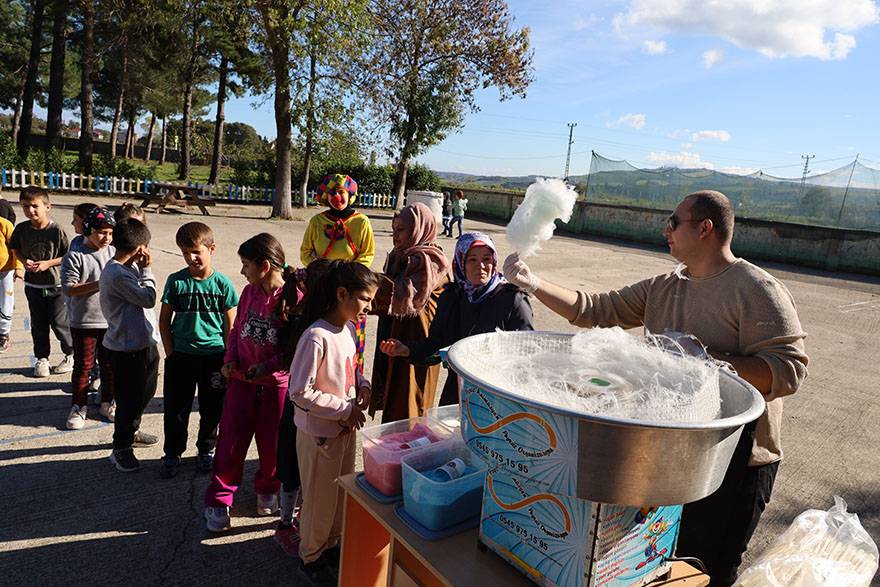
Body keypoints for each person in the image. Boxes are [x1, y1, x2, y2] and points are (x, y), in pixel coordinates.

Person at [502, 190, 809, 586]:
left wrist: (704, 359)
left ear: (704, 228)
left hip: (736, 458)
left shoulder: (756, 289)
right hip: (675, 450)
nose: (666, 229)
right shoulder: (664, 287)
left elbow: (787, 371)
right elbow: (594, 309)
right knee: (658, 560)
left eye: (673, 221)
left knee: (706, 568)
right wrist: (534, 283)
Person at [288, 260, 378, 585]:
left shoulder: (349, 329)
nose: (370, 306)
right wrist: (343, 408)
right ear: (342, 294)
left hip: (343, 430)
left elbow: (351, 369)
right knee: (317, 499)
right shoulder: (315, 336)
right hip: (320, 435)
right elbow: (299, 392)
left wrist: (363, 385)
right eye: (365, 299)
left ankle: (329, 546)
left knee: (339, 494)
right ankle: (310, 556)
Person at [381, 232, 534, 406]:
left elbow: (526, 354)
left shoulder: (512, 299)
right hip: (457, 395)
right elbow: (435, 346)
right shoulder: (452, 297)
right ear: (460, 262)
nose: (481, 266)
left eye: (487, 259)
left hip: (498, 397)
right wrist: (406, 350)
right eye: (472, 260)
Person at [204, 233, 293, 532]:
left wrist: (266, 368)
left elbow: (292, 351)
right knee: (230, 442)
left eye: (246, 265)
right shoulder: (248, 293)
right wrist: (229, 358)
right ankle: (219, 500)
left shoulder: (293, 300)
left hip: (275, 388)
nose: (243, 271)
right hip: (241, 384)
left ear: (264, 265)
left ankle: (268, 488)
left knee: (273, 444)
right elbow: (236, 330)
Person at [159, 222, 238, 479]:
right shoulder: (176, 282)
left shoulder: (222, 284)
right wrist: (171, 354)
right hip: (181, 358)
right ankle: (172, 453)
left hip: (214, 357)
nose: (190, 257)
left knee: (212, 409)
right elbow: (164, 320)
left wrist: (229, 357)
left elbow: (231, 324)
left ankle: (206, 449)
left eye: (196, 251)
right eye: (185, 253)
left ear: (211, 249)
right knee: (176, 409)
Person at [369, 203, 450, 422]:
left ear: (418, 228)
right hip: (396, 335)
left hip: (417, 344)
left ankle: (407, 455)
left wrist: (364, 283)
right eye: (394, 229)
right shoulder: (400, 256)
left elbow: (397, 292)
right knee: (393, 398)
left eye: (401, 229)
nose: (395, 235)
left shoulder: (429, 260)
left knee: (411, 405)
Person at [274, 259, 332, 556]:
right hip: (305, 411)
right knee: (299, 467)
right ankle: (288, 524)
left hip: (302, 411)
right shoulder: (313, 329)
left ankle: (292, 520)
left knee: (296, 469)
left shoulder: (305, 318)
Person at [99, 219, 160, 472]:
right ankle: (121, 448)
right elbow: (148, 298)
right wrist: (147, 271)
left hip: (144, 344)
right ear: (140, 248)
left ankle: (132, 431)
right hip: (126, 350)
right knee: (128, 400)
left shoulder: (128, 268)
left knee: (144, 394)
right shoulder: (117, 274)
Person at [300, 173, 375, 373]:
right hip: (321, 285)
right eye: (331, 193)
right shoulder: (317, 221)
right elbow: (305, 252)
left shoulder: (362, 222)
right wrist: (321, 269)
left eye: (341, 192)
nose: (336, 197)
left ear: (350, 195)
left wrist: (348, 275)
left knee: (352, 335)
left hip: (351, 290)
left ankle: (352, 377)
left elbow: (367, 254)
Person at [60, 206, 116, 429]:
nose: (107, 238)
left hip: (110, 321)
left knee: (109, 365)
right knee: (83, 367)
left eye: (110, 233)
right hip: (84, 321)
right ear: (88, 230)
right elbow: (69, 288)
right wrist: (100, 283)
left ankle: (107, 401)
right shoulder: (75, 256)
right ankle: (78, 406)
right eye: (102, 232)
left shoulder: (113, 253)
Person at [9, 187, 74, 377]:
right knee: (38, 324)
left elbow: (68, 255)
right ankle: (42, 358)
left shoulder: (56, 231)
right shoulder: (22, 229)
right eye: (26, 206)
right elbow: (15, 249)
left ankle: (70, 354)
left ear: (47, 206)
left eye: (35, 206)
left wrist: (48, 263)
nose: (31, 210)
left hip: (56, 286)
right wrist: (23, 261)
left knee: (59, 322)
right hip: (33, 286)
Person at [0, 211, 23, 354]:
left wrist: (18, 267)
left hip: (5, 270)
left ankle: (3, 333)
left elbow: (16, 248)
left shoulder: (4, 224)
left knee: (5, 302)